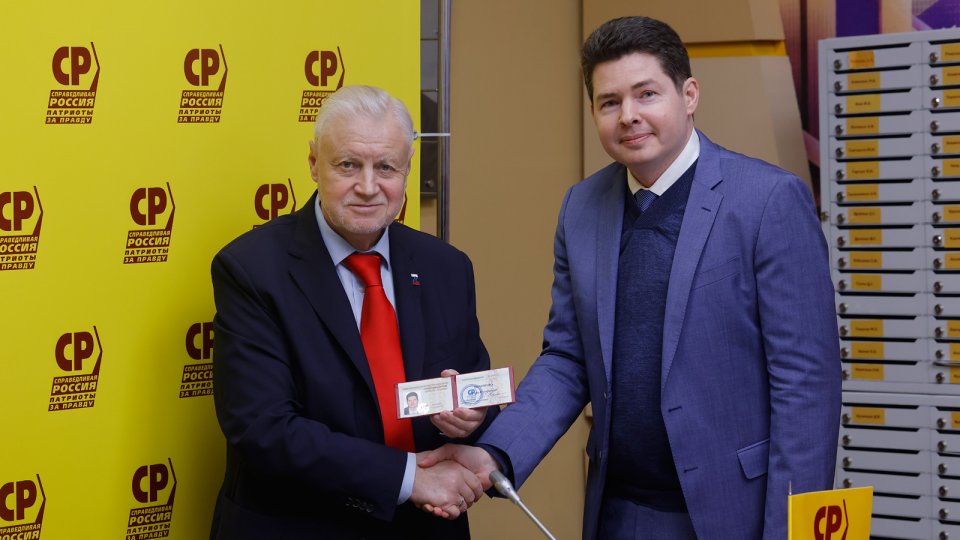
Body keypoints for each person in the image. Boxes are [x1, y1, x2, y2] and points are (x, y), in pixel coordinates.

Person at [420, 15, 840, 539]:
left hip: (737, 512)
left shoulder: (767, 200)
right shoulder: (581, 207)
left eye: (647, 94)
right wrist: (495, 453)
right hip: (620, 511)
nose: (629, 116)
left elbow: (807, 388)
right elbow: (568, 358)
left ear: (689, 95)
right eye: (609, 102)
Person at [209, 85, 497, 539]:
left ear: (407, 169)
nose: (367, 186)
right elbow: (264, 429)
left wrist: (471, 417)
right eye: (347, 165)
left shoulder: (447, 267)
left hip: (427, 527)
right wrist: (408, 479)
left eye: (385, 167)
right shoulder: (251, 269)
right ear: (313, 163)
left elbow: (475, 384)